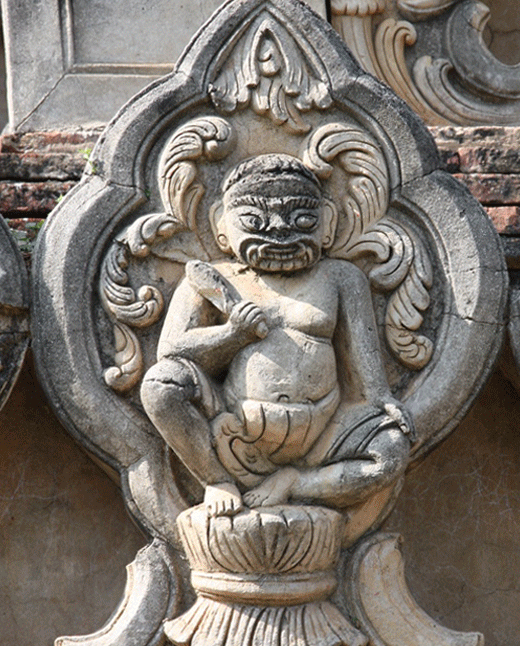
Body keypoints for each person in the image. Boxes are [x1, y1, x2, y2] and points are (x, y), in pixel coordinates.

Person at [141, 153, 413, 516]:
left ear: (327, 223)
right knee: (160, 385)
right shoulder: (212, 279)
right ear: (221, 224)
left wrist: (381, 398)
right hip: (234, 425)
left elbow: (362, 359)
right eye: (254, 221)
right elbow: (173, 350)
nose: (280, 231)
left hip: (321, 428)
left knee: (390, 453)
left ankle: (297, 483)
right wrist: (233, 335)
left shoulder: (341, 278)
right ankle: (217, 480)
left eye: (302, 219)